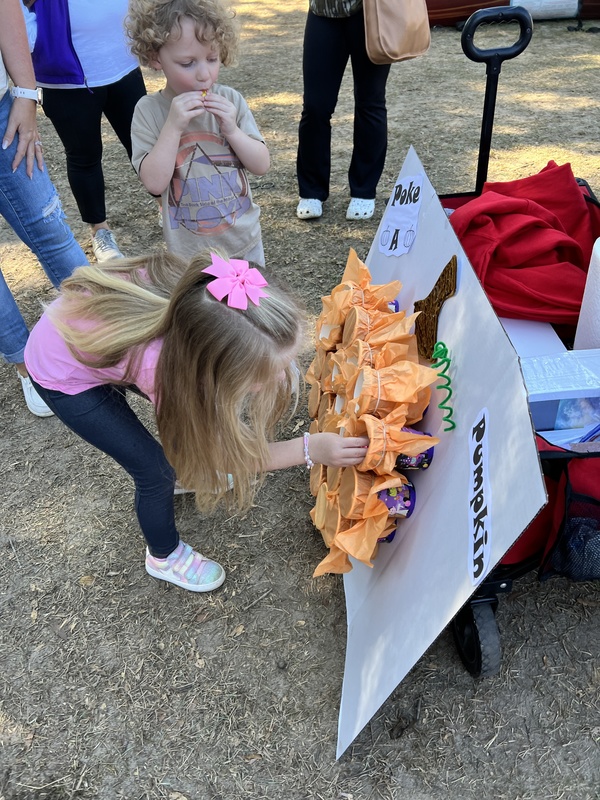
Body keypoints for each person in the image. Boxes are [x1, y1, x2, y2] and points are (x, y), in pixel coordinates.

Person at [24, 250, 369, 591]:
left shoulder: (206, 300)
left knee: (188, 438)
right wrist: (310, 448)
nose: (281, 381)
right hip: (62, 373)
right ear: (211, 368)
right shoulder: (168, 374)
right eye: (267, 373)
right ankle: (164, 556)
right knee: (154, 471)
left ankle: (187, 472)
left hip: (106, 340)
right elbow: (226, 455)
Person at [126, 0, 269, 265]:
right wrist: (173, 126)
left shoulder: (231, 100)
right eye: (188, 63)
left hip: (244, 246)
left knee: (249, 307)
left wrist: (233, 131)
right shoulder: (149, 111)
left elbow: (261, 164)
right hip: (190, 257)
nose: (204, 74)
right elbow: (154, 183)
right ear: (156, 58)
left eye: (212, 59)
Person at [0, 0, 87, 417]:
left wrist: (25, 93)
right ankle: (27, 366)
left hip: (2, 108)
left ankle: (110, 327)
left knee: (50, 229)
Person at [26, 0, 148, 262]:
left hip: (123, 66)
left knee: (145, 144)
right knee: (84, 156)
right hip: (64, 82)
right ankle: (99, 231)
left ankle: (167, 206)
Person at [295, 0, 391, 222]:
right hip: (322, 11)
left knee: (370, 102)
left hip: (371, 12)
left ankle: (363, 190)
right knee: (315, 106)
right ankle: (312, 190)